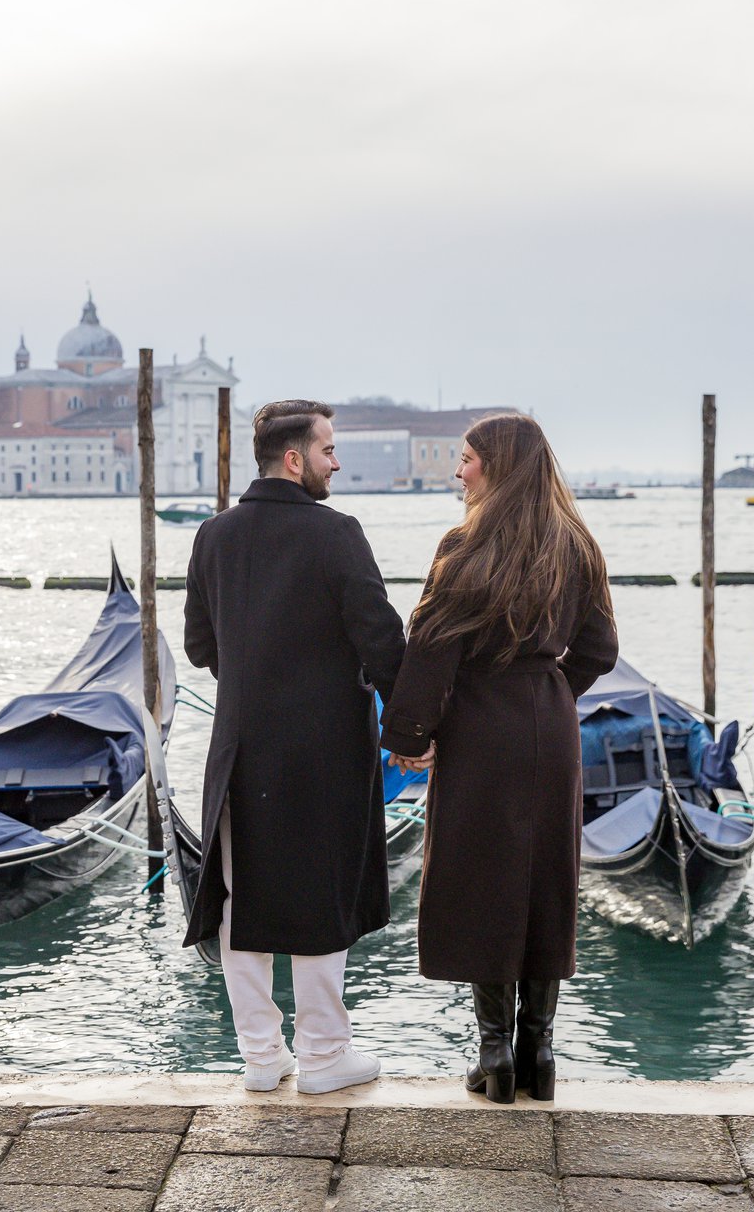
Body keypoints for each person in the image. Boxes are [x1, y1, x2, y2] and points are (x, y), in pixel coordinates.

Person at [379, 413, 617, 1104]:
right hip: (550, 725)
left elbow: (431, 649)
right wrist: (549, 692)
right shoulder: (577, 544)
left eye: (467, 459)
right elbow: (600, 649)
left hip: (481, 731)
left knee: (482, 878)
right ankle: (540, 1051)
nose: (459, 472)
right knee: (546, 876)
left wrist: (411, 736)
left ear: (498, 464)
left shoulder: (465, 543)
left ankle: (495, 1053)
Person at [183, 399, 407, 1095]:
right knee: (321, 897)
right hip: (325, 751)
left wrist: (257, 669)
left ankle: (259, 1058)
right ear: (294, 459)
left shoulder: (212, 536)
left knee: (239, 899)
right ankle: (324, 1056)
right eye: (329, 449)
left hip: (239, 745)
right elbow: (383, 643)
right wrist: (410, 730)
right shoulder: (336, 533)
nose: (336, 462)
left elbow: (198, 647)